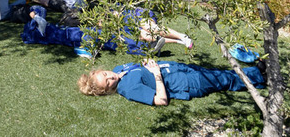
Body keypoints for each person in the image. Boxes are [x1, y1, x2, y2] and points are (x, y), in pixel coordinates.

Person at [78, 58, 266, 106]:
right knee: (223, 80)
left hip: (179, 69)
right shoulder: (128, 89)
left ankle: (256, 74)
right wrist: (157, 74)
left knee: (220, 74)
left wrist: (146, 63)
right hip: (186, 83)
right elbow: (161, 100)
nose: (111, 77)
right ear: (107, 90)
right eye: (108, 83)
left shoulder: (119, 68)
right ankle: (261, 77)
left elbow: (140, 69)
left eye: (106, 74)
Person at [21, 6, 193, 57]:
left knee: (146, 30)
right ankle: (176, 41)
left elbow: (38, 10)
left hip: (134, 17)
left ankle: (180, 37)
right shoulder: (41, 31)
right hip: (123, 27)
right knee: (142, 35)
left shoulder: (112, 12)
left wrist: (33, 14)